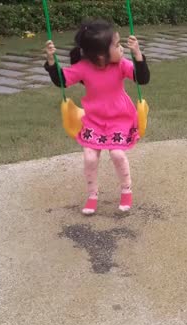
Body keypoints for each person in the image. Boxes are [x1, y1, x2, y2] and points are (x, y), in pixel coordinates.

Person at [44, 19, 150, 215]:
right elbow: (62, 81)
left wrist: (137, 54)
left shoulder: (120, 66)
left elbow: (142, 79)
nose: (121, 49)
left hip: (120, 118)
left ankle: (126, 189)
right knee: (90, 157)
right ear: (101, 55)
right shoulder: (84, 67)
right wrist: (51, 62)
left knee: (117, 154)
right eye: (117, 45)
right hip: (94, 120)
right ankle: (92, 195)